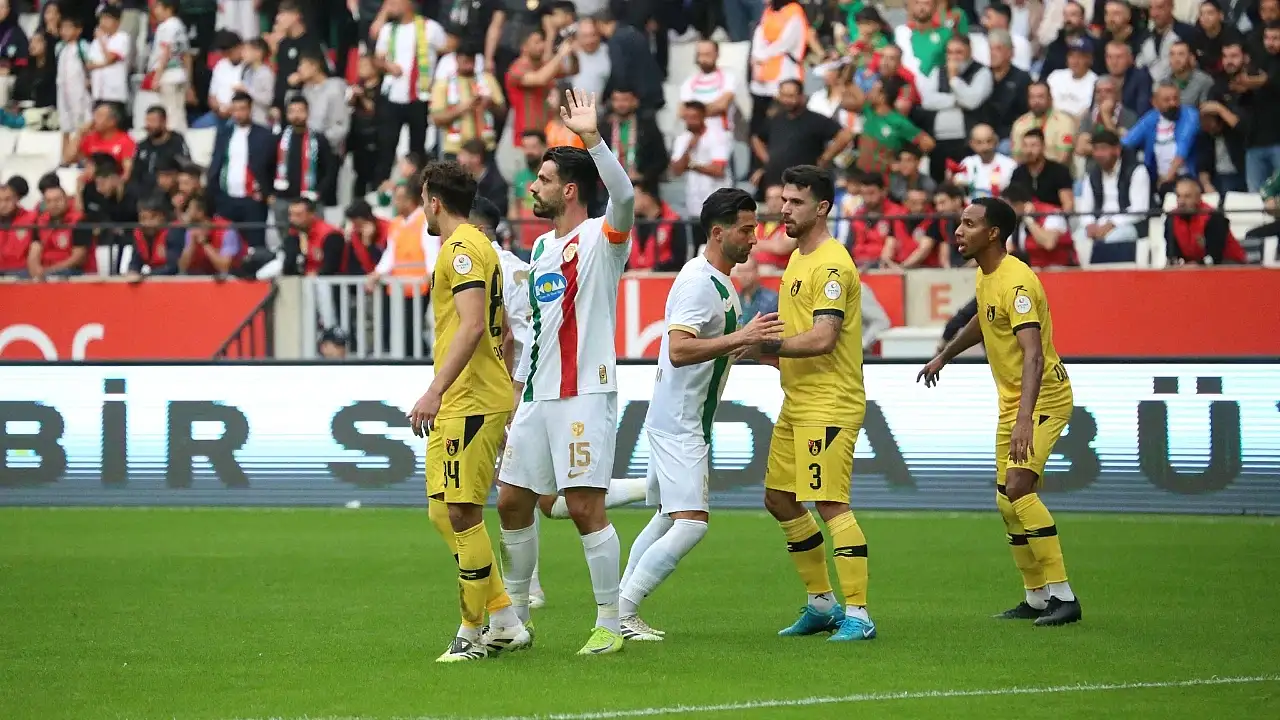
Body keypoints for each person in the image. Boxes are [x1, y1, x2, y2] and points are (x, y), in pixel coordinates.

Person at [496, 87, 636, 657]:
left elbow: (625, 195)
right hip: (538, 393)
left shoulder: (601, 238)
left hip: (584, 392)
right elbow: (536, 329)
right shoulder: (540, 252)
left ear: (569, 190)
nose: (533, 187)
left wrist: (593, 139)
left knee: (582, 508)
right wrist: (517, 389)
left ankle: (610, 622)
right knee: (511, 500)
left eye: (543, 179)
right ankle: (513, 617)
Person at [617, 188, 784, 642]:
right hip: (680, 421)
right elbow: (679, 349)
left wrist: (760, 353)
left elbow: (716, 346)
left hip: (681, 416)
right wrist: (741, 338)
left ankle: (615, 608)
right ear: (718, 232)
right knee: (690, 523)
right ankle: (623, 612)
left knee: (667, 517)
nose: (755, 238)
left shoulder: (719, 281)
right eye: (746, 229)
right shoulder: (698, 283)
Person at [917, 196, 1082, 628]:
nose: (958, 231)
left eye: (969, 224)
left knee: (1019, 487)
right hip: (1014, 402)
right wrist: (945, 356)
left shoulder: (1017, 282)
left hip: (1043, 398)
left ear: (993, 234)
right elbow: (983, 320)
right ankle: (1037, 597)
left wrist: (1024, 418)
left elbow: (1034, 355)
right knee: (1006, 499)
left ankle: (1065, 596)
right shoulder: (986, 275)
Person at [406, 161, 528, 663]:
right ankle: (504, 618)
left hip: (470, 398)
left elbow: (475, 324)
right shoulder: (476, 245)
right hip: (465, 396)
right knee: (442, 510)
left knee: (462, 511)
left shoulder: (460, 250)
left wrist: (435, 390)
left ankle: (471, 633)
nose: (422, 209)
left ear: (435, 202)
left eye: (423, 200)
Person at [760, 165, 875, 643]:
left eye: (796, 202)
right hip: (797, 400)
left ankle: (860, 615)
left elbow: (825, 337)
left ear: (823, 208)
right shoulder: (797, 258)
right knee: (779, 498)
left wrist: (767, 346)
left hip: (829, 401)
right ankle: (822, 604)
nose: (784, 209)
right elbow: (798, 333)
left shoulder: (831, 264)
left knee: (830, 503)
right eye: (784, 200)